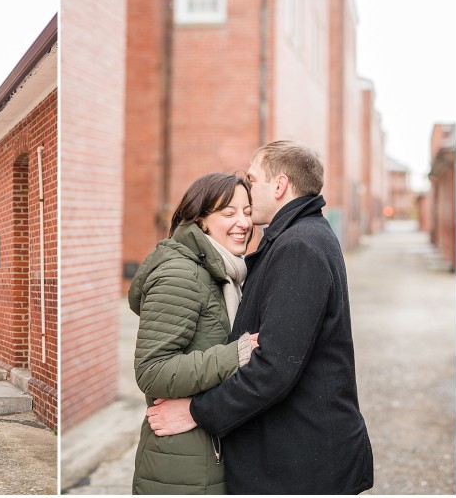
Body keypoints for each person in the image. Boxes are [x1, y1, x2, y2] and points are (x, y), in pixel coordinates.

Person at [146, 140, 374, 494]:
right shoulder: (301, 237)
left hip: (304, 462)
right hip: (298, 456)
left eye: (253, 180)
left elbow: (274, 368)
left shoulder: (298, 245)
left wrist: (197, 411)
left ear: (280, 185)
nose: (249, 195)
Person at [129, 173, 258, 494]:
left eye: (247, 211)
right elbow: (152, 372)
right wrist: (237, 354)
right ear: (201, 222)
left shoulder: (229, 273)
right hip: (182, 463)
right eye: (228, 213)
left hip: (209, 445)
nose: (242, 222)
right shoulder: (180, 274)